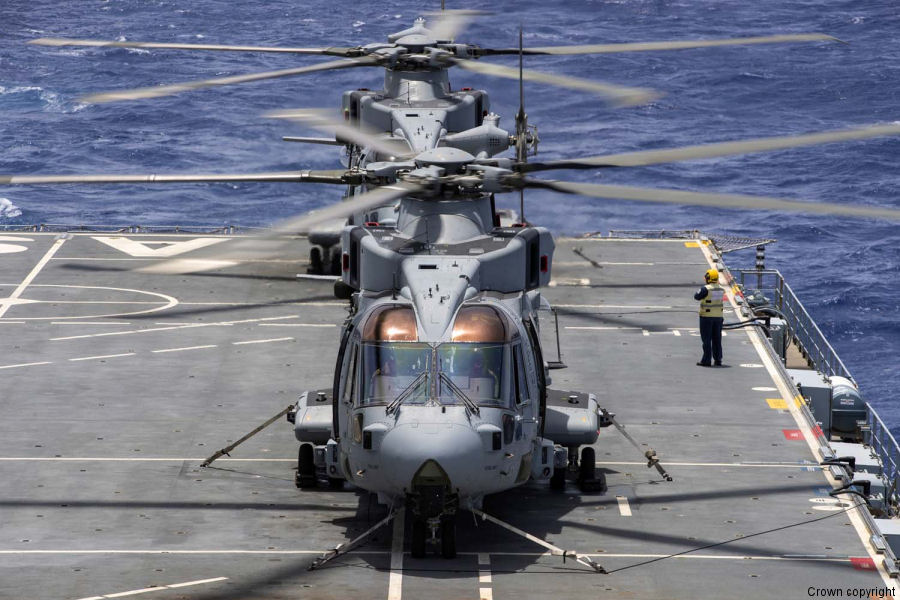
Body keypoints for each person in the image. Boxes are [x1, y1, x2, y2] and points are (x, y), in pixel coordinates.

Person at [694, 268, 725, 367]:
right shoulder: (721, 289)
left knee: (706, 340)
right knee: (717, 339)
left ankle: (706, 360)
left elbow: (696, 297)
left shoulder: (705, 289)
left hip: (706, 317)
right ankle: (718, 360)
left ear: (708, 278)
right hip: (718, 317)